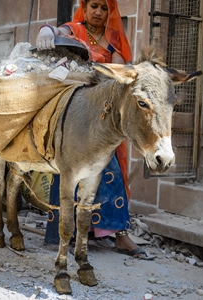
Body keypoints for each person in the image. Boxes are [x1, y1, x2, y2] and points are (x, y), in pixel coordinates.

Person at [34, 0, 154, 260]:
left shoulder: (113, 38)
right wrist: (47, 30)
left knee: (109, 169)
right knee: (68, 167)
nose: (98, 12)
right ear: (84, 8)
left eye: (103, 8)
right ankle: (65, 233)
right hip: (74, 109)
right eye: (94, 6)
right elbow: (58, 32)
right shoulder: (74, 29)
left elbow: (118, 73)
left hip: (102, 111)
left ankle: (119, 234)